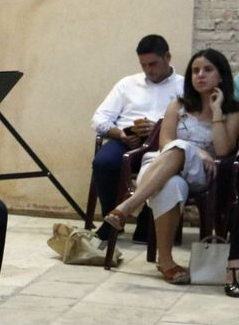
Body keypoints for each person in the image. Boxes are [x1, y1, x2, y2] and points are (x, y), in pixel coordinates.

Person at [97, 49, 239, 284]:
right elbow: (164, 143)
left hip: (201, 173)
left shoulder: (231, 111)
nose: (200, 75)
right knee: (172, 184)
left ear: (221, 76)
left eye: (207, 70)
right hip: (159, 166)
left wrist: (216, 113)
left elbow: (223, 151)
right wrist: (197, 149)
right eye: (195, 70)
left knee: (181, 149)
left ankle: (128, 205)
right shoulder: (179, 104)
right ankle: (166, 262)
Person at [89, 35, 184, 215]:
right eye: (143, 65)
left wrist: (159, 129)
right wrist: (120, 134)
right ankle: (112, 219)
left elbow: (193, 126)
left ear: (167, 57)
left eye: (153, 64)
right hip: (127, 141)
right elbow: (98, 118)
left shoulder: (185, 86)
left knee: (164, 169)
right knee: (103, 163)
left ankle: (147, 227)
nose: (148, 70)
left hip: (164, 146)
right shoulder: (127, 84)